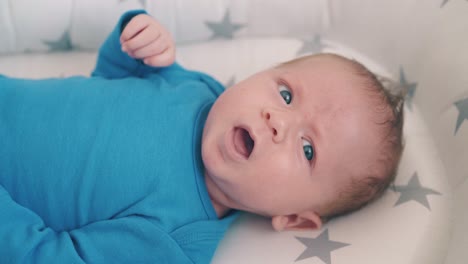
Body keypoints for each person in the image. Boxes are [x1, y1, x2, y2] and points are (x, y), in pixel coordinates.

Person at [0, 9, 404, 264]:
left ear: (294, 217)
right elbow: (111, 77)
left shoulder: (172, 239)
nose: (278, 120)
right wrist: (140, 40)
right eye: (285, 93)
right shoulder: (199, 90)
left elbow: (41, 256)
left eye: (308, 148)